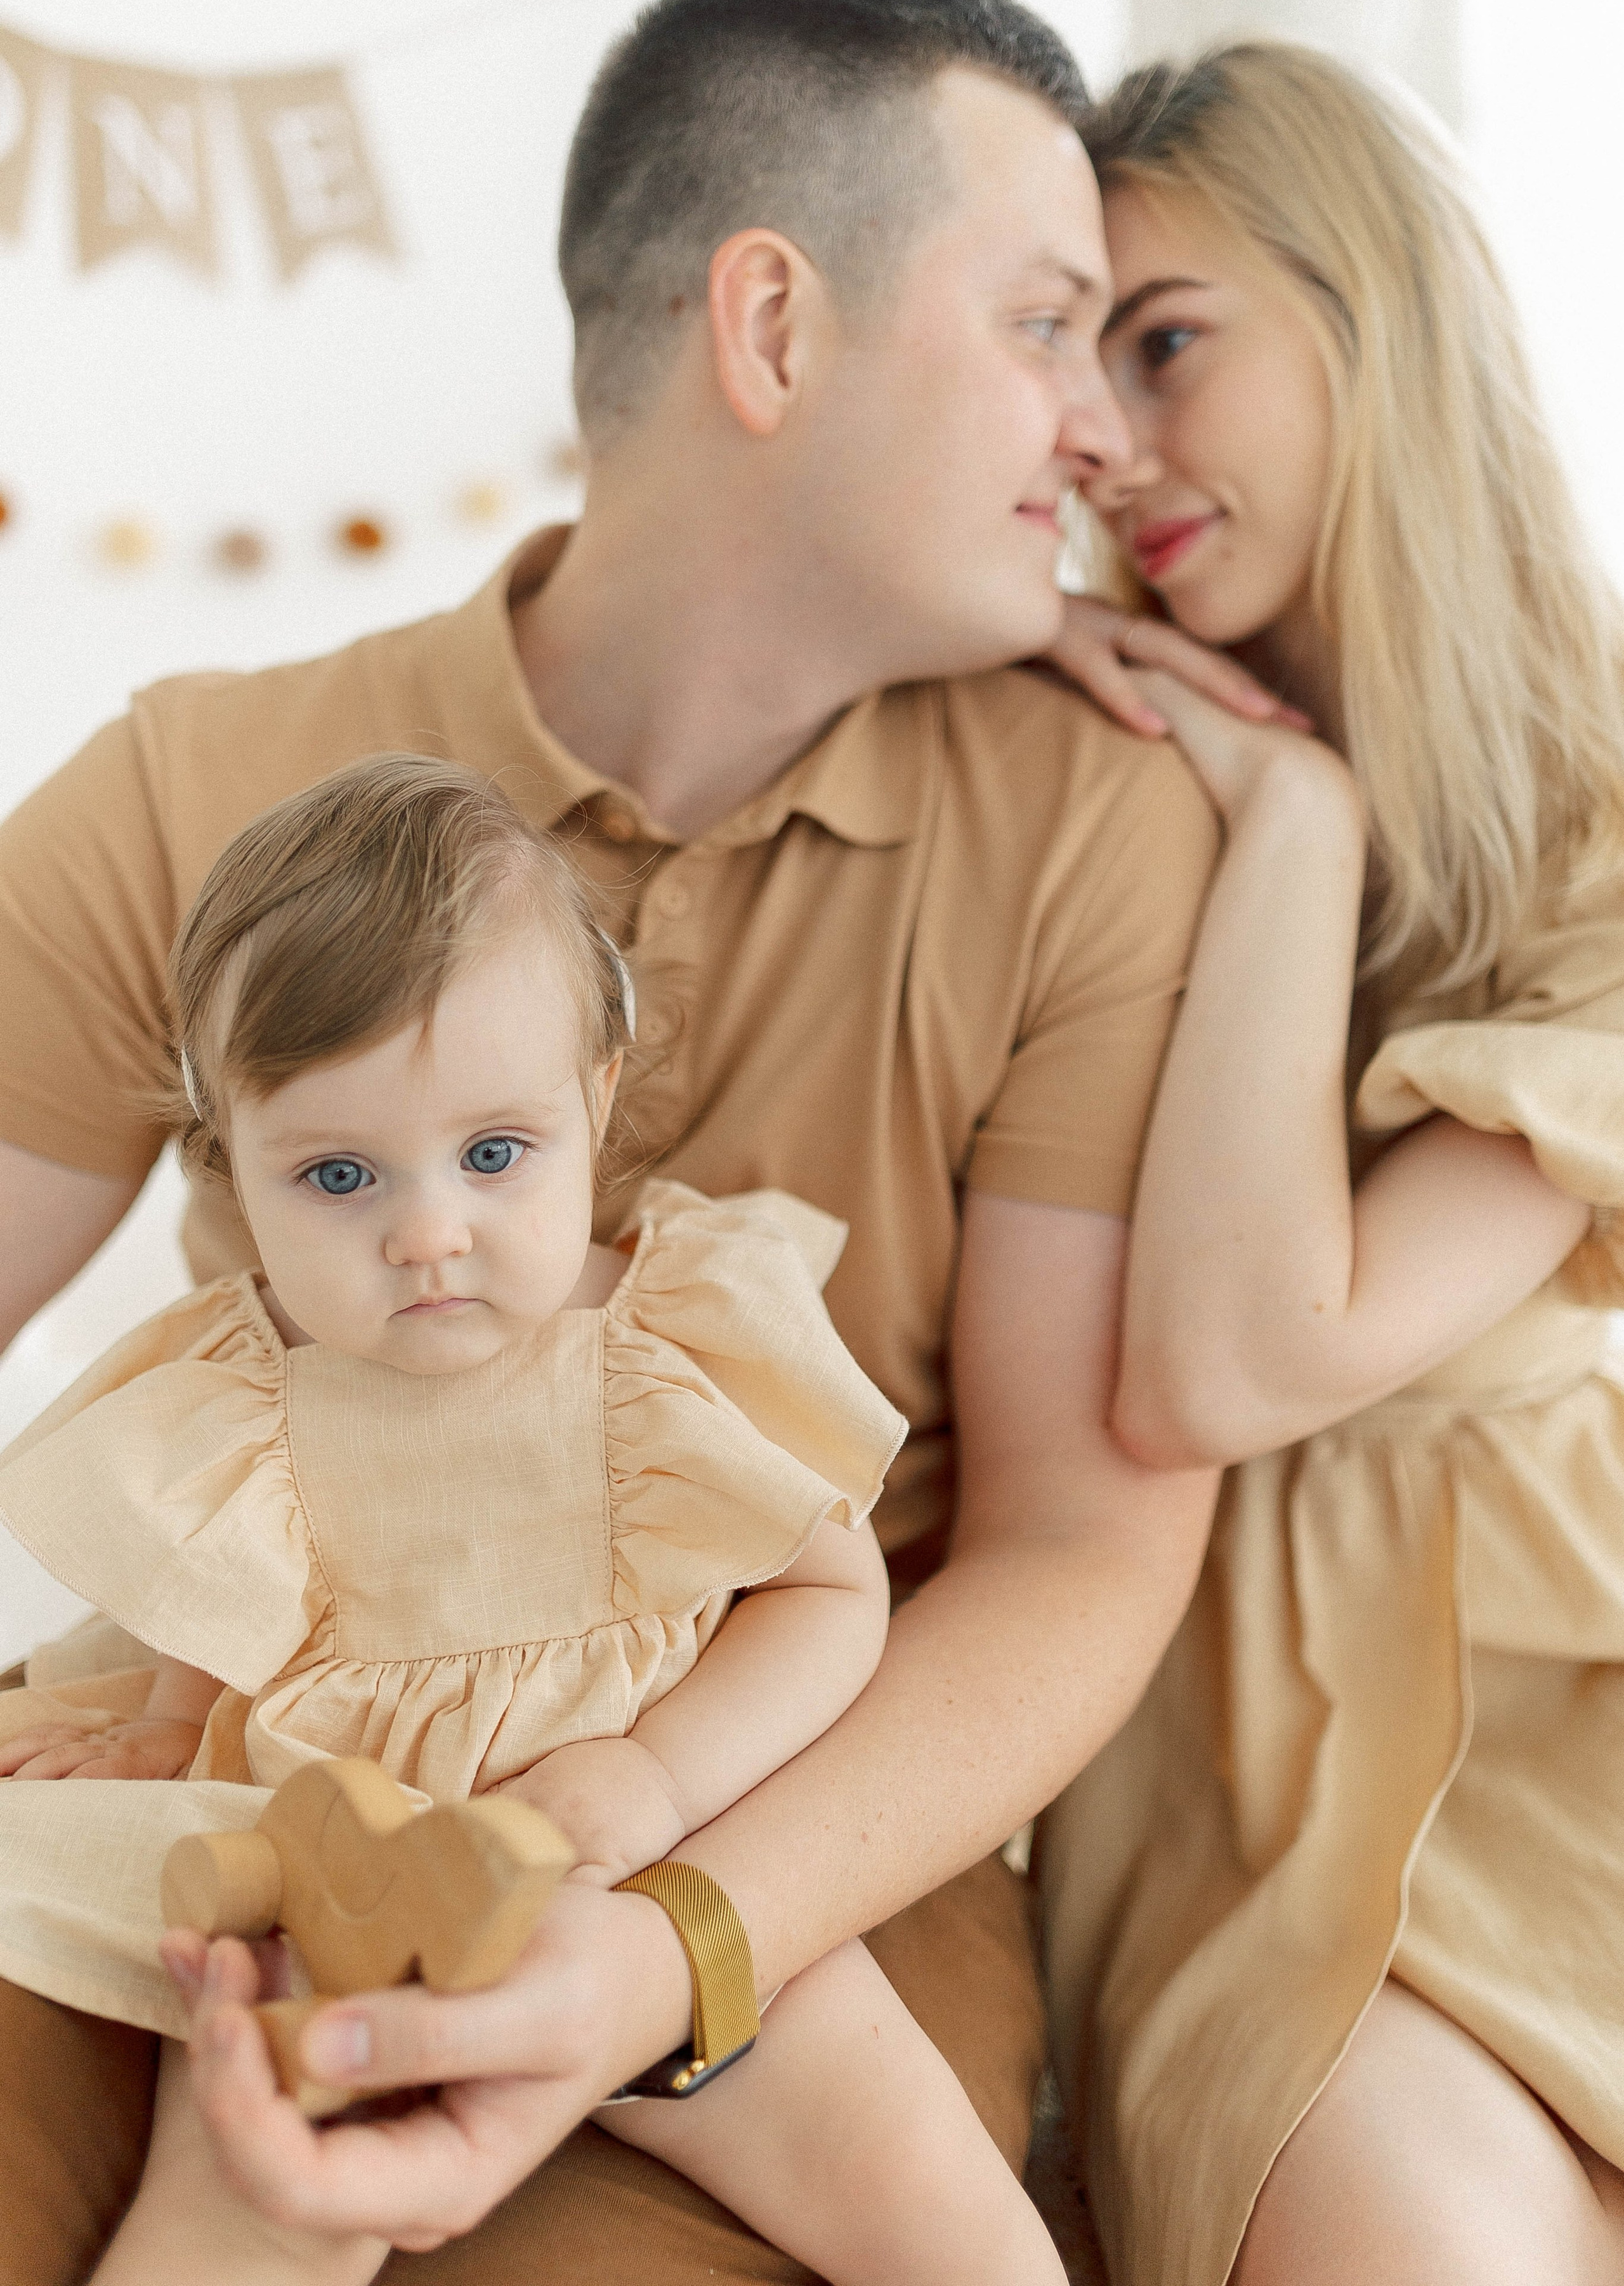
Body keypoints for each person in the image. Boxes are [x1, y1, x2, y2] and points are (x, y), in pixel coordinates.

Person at [0, 0, 1228, 2282]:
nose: (1108, 436)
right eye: (1049, 323)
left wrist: (665, 1938)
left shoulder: (1097, 829)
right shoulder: (191, 784)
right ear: (773, 329)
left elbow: (1083, 1550)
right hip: (229, 1819)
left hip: (788, 1849)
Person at [0, 753, 1068, 2286]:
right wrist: (160, 1733)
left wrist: (655, 1772)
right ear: (228, 1162)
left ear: (597, 1100)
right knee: (235, 2206)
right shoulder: (239, 1395)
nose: (428, 1233)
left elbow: (826, 1601)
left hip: (643, 1865)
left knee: (935, 2213)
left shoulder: (661, 1343)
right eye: (340, 1176)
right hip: (339, 1898)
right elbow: (230, 1614)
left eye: (494, 1156)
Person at [1037, 41, 1624, 2286]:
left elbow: (1264, 1347)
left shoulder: (1594, 820)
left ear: (1376, 313)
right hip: (1250, 1821)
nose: (1111, 444)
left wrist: (1307, 815)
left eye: (1169, 343)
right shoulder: (1098, 780)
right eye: (1073, 368)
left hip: (1561, 1733)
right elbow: (1205, 1384)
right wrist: (1285, 817)